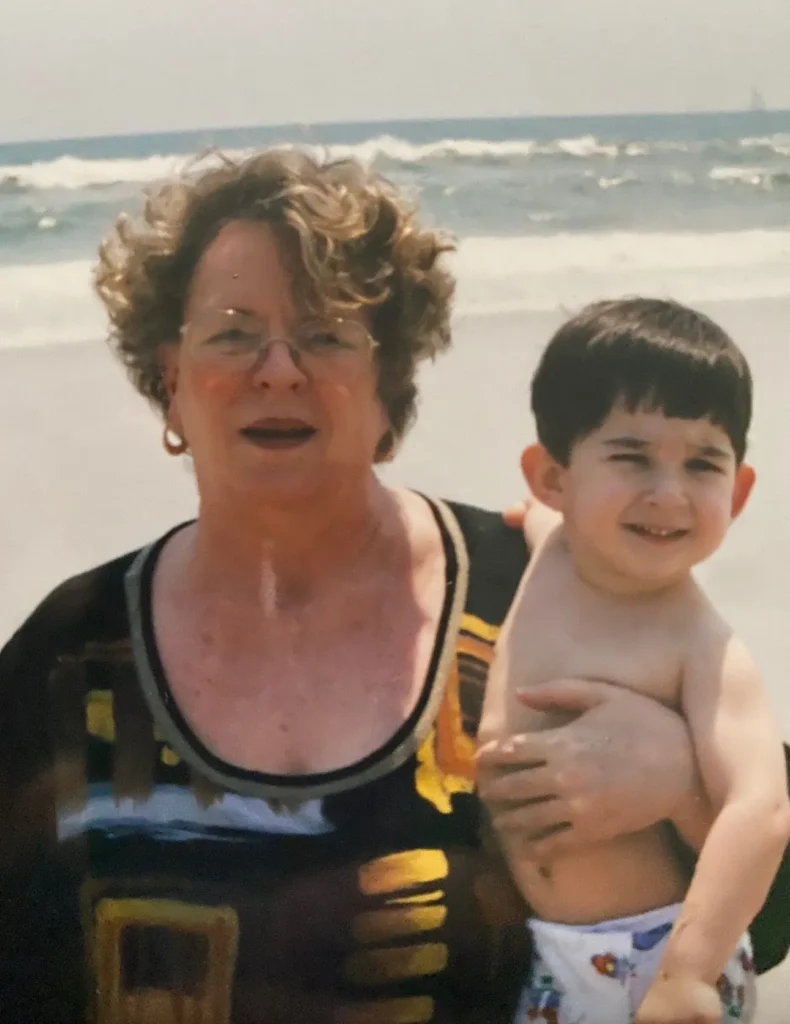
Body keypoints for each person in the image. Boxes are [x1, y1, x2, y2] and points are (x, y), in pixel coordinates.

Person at [0, 150, 788, 1024]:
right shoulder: (68, 653)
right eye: (231, 332)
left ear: (392, 385)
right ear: (171, 379)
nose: (278, 368)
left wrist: (681, 789)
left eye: (327, 334)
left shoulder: (549, 586)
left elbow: (769, 902)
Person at [479, 297, 790, 1024]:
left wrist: (688, 973)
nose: (669, 494)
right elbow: (536, 519)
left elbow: (763, 809)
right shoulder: (551, 546)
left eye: (703, 464)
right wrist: (531, 519)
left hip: (651, 958)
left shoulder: (699, 643)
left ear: (739, 492)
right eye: (632, 457)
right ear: (552, 478)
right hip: (547, 953)